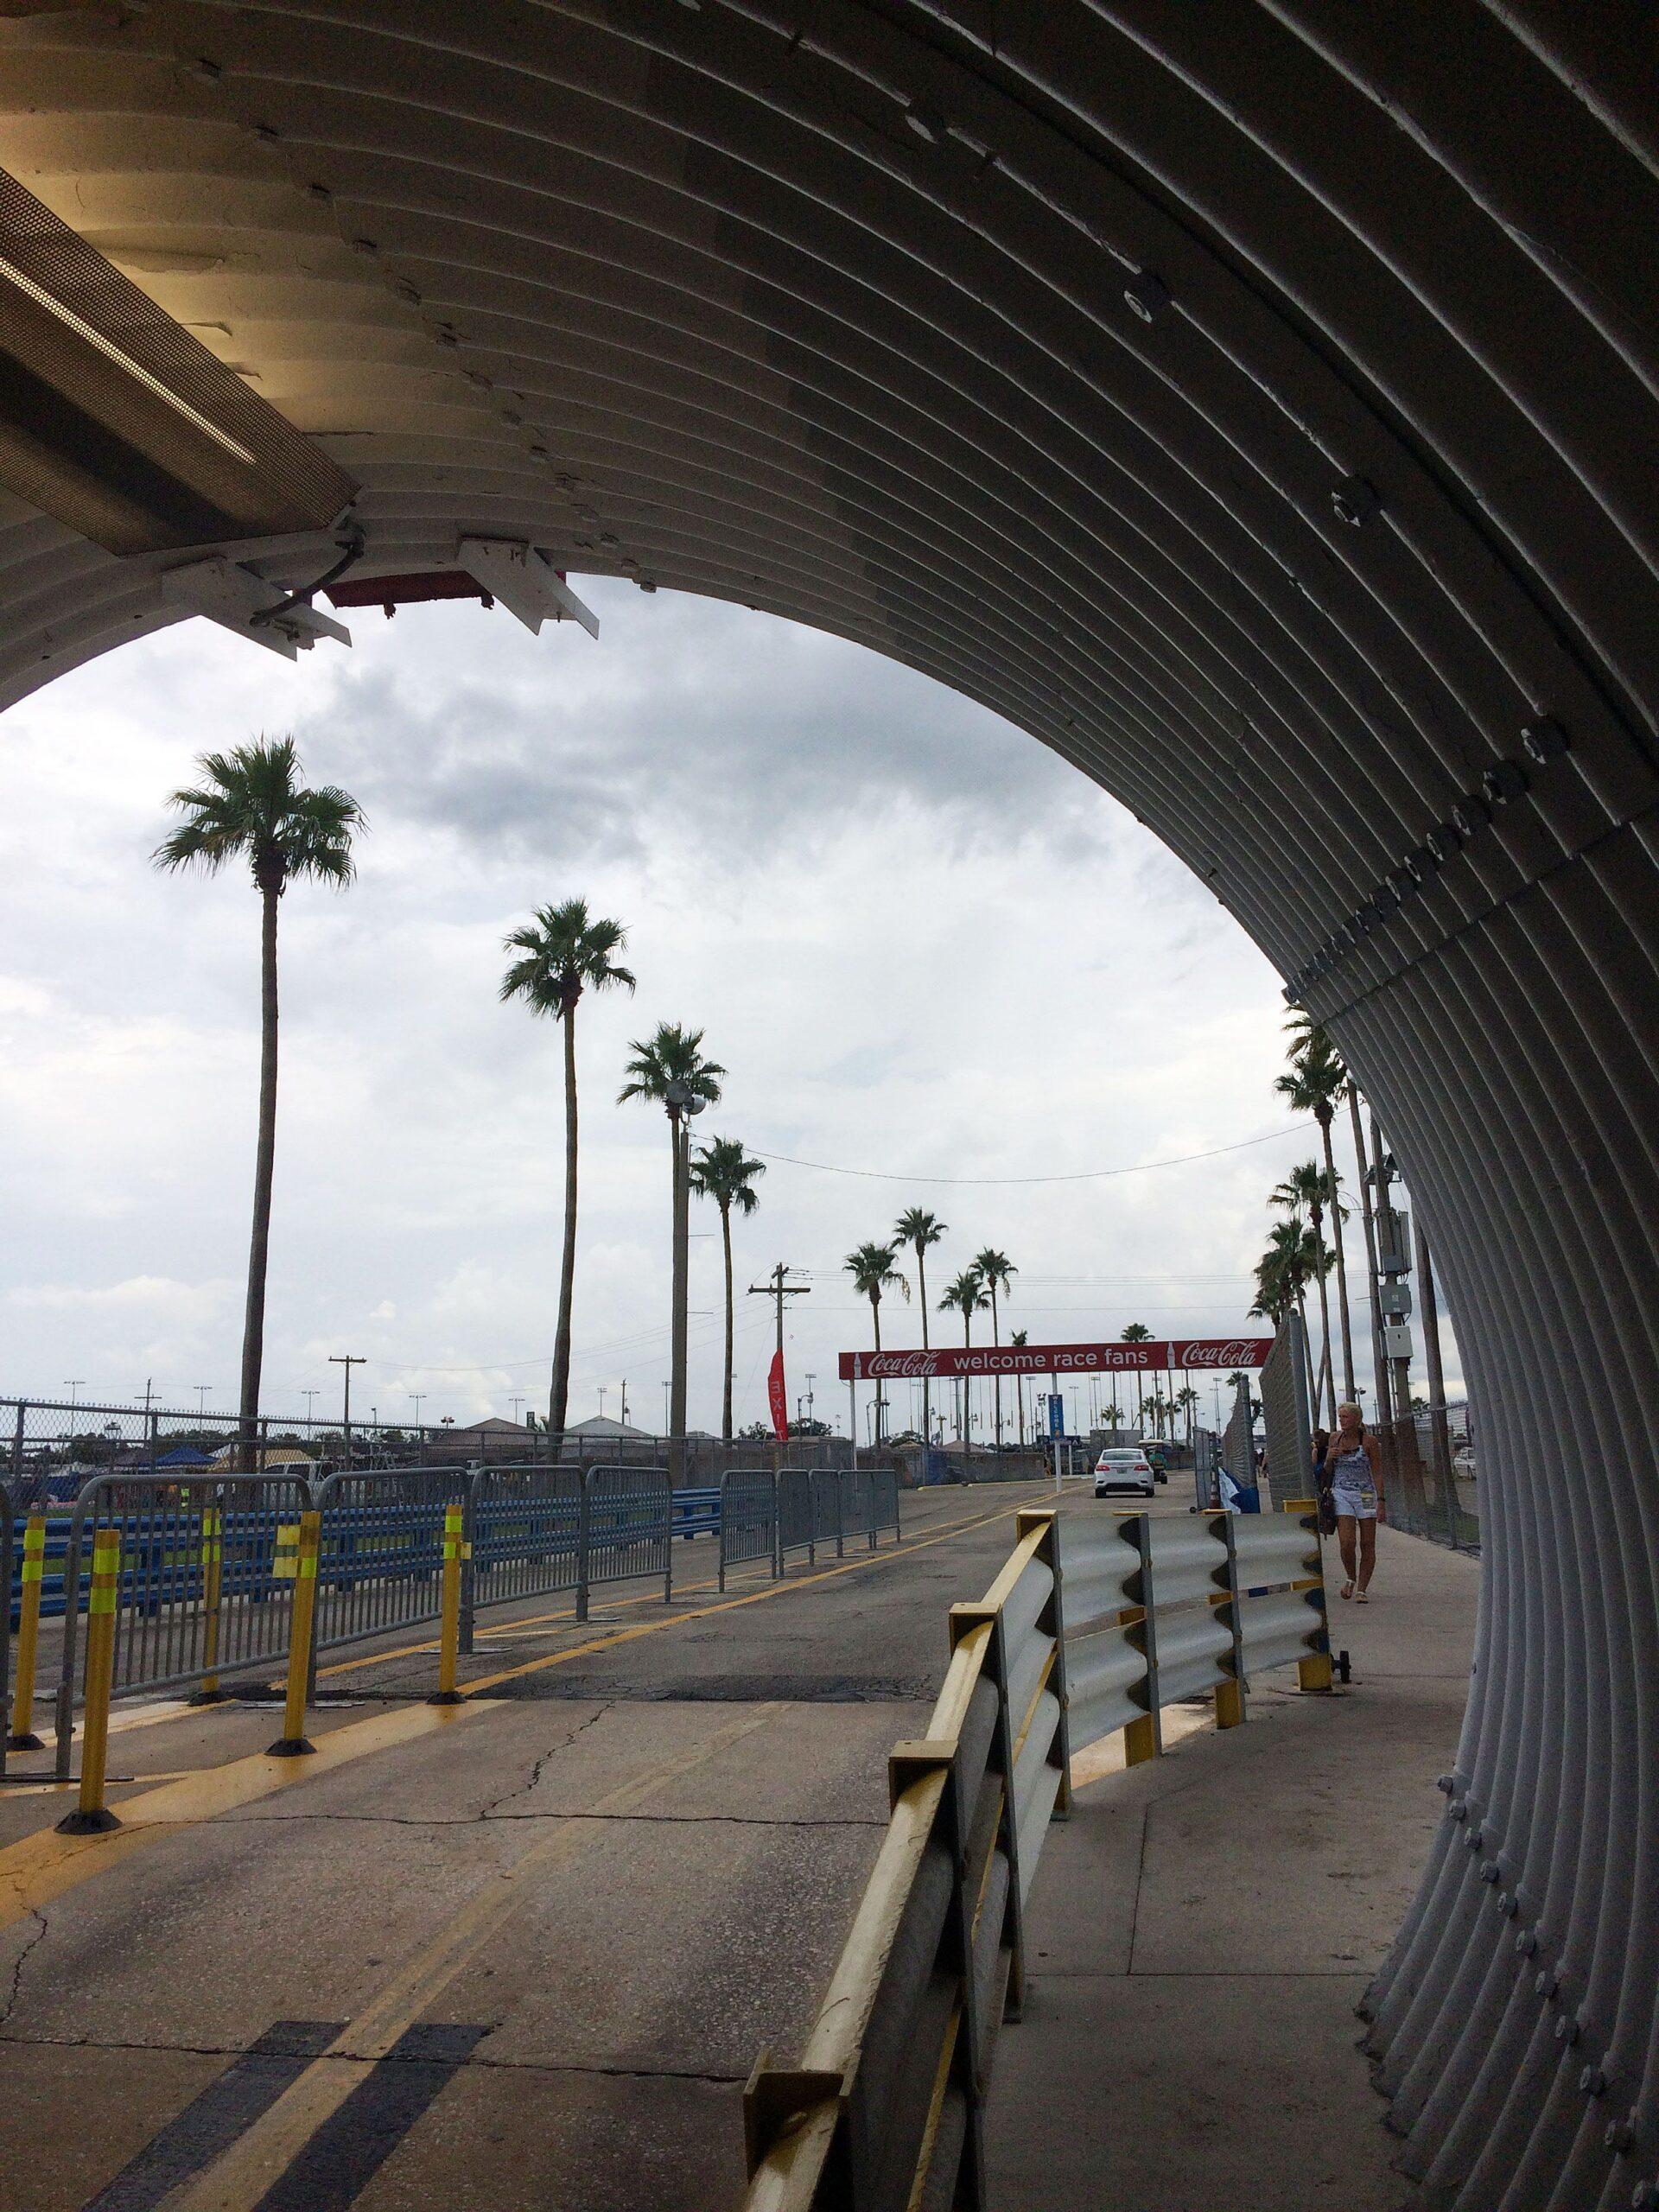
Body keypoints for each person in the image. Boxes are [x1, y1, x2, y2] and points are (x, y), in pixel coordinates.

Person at [1323, 1402, 1381, 1599]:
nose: (1342, 1421)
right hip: (1342, 1492)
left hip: (1365, 1493)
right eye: (1340, 1417)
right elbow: (1327, 1470)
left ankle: (1362, 1589)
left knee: (1367, 1542)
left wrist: (1381, 1500)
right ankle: (1350, 1576)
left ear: (1357, 1419)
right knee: (1347, 1542)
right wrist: (1329, 1458)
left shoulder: (1369, 1441)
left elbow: (1377, 1471)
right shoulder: (1335, 1438)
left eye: (1346, 1417)